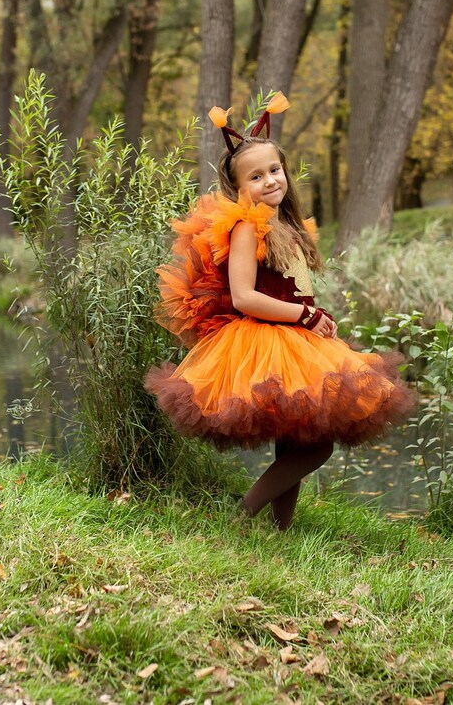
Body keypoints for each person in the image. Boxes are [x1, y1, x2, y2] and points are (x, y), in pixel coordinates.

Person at [145, 93, 415, 530]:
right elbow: (243, 296)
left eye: (275, 169)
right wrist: (305, 317)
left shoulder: (284, 222)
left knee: (297, 440)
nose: (270, 180)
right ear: (238, 188)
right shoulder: (247, 226)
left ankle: (280, 530)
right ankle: (241, 515)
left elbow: (293, 288)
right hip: (267, 339)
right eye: (256, 176)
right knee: (318, 447)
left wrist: (314, 315)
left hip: (298, 337)